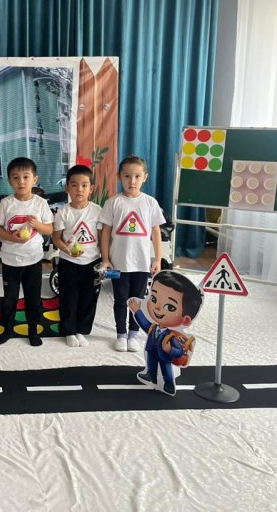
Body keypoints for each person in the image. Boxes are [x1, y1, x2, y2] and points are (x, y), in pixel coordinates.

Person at [99, 155, 164, 353]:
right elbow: (105, 232)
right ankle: (121, 334)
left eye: (137, 176)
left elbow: (156, 232)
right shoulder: (113, 202)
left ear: (145, 177)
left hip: (142, 264)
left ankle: (134, 334)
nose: (132, 181)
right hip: (118, 263)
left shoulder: (150, 203)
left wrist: (157, 259)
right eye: (127, 176)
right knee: (120, 300)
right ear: (119, 177)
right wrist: (105, 259)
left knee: (137, 300)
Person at [0, 157, 54, 346]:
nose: (21, 182)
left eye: (26, 177)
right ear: (9, 181)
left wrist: (37, 225)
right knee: (9, 299)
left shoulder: (40, 203)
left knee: (33, 298)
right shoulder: (6, 203)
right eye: (16, 178)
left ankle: (33, 329)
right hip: (10, 261)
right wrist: (11, 238)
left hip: (33, 260)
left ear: (34, 179)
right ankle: (8, 328)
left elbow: (50, 229)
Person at [127, 270, 203, 395]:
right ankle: (151, 375)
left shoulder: (172, 335)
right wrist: (137, 311)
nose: (157, 308)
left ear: (185, 319)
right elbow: (145, 325)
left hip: (165, 355)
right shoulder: (154, 327)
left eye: (170, 307)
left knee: (166, 370)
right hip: (152, 350)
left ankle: (168, 384)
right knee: (151, 364)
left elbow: (179, 351)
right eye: (153, 298)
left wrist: (170, 350)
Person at [51, 164, 103, 347]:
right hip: (68, 263)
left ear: (91, 188)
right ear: (67, 187)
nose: (79, 189)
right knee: (69, 298)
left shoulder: (97, 211)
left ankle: (82, 330)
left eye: (84, 185)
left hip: (92, 262)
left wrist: (106, 260)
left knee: (89, 298)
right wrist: (67, 250)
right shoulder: (63, 212)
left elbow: (103, 237)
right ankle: (68, 330)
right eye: (74, 185)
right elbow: (56, 238)